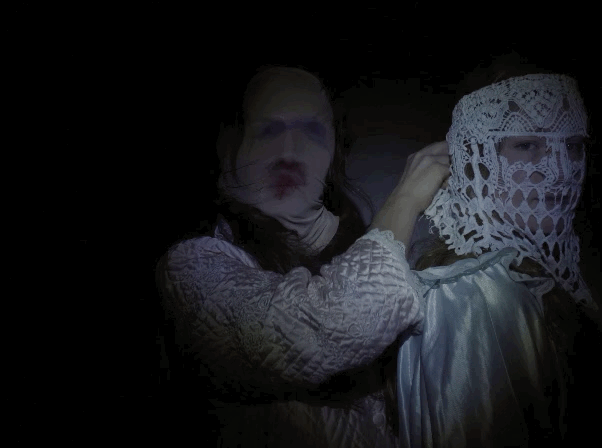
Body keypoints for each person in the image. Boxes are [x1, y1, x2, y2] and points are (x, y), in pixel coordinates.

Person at [155, 65, 449, 447]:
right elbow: (318, 329)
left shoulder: (354, 248)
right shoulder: (191, 271)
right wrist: (405, 200)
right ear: (229, 148)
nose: (289, 153)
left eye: (311, 131)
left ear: (334, 149)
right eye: (268, 130)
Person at [393, 73, 602, 446]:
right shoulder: (472, 296)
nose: (560, 170)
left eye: (573, 145)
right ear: (479, 161)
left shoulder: (527, 282)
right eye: (527, 145)